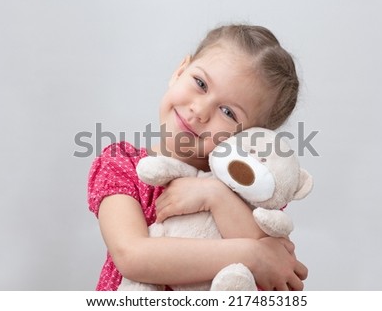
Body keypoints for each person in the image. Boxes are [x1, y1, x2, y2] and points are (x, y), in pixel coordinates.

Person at [88, 24, 308, 291]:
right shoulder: (122, 164)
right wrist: (251, 255)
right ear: (180, 71)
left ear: (251, 136)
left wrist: (214, 195)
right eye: (200, 84)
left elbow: (272, 258)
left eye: (228, 112)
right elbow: (132, 255)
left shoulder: (252, 195)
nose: (200, 111)